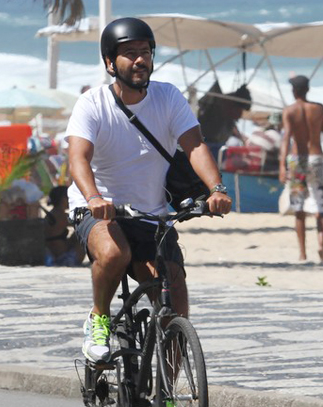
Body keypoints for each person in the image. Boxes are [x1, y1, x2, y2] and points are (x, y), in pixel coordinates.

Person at [66, 17, 232, 363]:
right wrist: (94, 198)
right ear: (110, 63)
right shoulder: (92, 104)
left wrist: (216, 188)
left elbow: (195, 146)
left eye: (146, 52)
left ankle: (169, 401)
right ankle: (98, 318)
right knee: (114, 254)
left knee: (173, 304)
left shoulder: (168, 96)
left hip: (151, 214)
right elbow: (78, 158)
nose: (140, 60)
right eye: (130, 54)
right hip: (98, 209)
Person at [279, 74, 323, 264]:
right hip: (317, 158)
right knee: (320, 207)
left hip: (298, 161)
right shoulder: (319, 109)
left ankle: (303, 254)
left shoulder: (289, 111)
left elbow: (286, 139)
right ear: (308, 89)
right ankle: (321, 247)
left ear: (294, 91)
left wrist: (282, 166)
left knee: (299, 207)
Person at [43, 186, 85, 266]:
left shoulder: (52, 214)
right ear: (63, 199)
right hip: (62, 259)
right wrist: (80, 204)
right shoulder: (61, 216)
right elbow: (80, 222)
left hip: (54, 255)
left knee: (77, 233)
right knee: (84, 235)